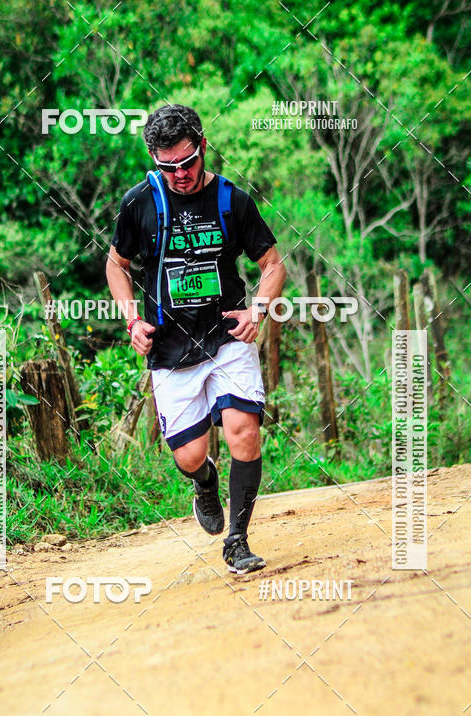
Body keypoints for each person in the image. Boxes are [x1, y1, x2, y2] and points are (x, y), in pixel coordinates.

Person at [106, 104, 286, 574]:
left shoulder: (232, 200)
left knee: (244, 431)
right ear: (153, 159)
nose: (181, 174)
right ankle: (204, 483)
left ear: (203, 147)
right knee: (190, 455)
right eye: (168, 167)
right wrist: (132, 320)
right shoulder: (139, 203)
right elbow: (116, 265)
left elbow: (272, 264)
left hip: (226, 334)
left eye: (188, 162)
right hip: (169, 347)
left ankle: (238, 542)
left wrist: (258, 310)